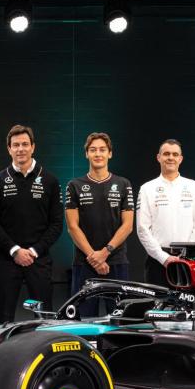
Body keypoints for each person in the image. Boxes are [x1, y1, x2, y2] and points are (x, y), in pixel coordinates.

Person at [0, 125, 64, 323]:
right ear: (9, 149)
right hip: (7, 260)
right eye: (16, 145)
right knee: (4, 319)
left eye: (25, 144)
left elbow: (56, 224)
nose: (21, 149)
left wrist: (34, 251)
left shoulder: (50, 181)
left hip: (39, 260)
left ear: (33, 147)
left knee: (44, 319)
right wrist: (15, 250)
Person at [65, 132, 134, 317]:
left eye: (102, 150)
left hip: (116, 262)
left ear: (110, 153)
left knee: (120, 320)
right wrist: (93, 257)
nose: (98, 154)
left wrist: (105, 253)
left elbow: (127, 225)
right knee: (84, 321)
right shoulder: (74, 185)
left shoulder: (123, 184)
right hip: (85, 263)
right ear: (86, 154)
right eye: (93, 150)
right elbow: (72, 226)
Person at [136, 139, 195, 286]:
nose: (170, 158)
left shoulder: (193, 186)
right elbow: (142, 229)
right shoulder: (147, 188)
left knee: (189, 308)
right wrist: (164, 258)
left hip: (188, 261)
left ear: (180, 159)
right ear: (159, 157)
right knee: (158, 307)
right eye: (166, 154)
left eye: (175, 154)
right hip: (157, 262)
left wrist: (185, 253)